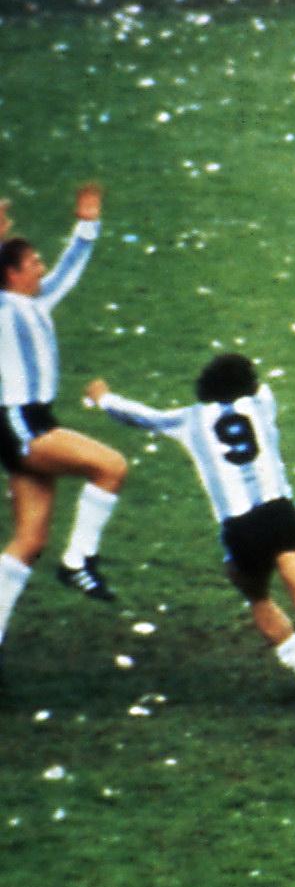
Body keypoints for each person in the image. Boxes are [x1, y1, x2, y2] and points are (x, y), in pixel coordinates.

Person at [85, 356, 295, 695]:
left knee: (257, 597)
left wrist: (104, 398)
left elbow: (143, 417)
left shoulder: (189, 420)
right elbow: (256, 387)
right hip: (281, 514)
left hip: (240, 527)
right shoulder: (263, 403)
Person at [0, 186, 126, 672]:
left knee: (29, 542)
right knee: (110, 466)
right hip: (20, 422)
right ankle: (78, 561)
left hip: (35, 420)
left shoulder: (37, 301)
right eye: (33, 263)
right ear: (11, 274)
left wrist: (87, 224)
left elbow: (70, 269)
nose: (41, 267)